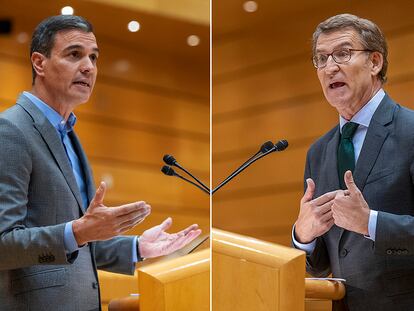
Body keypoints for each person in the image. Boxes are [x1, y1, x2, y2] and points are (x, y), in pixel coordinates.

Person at [0, 15, 201, 310]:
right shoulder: (11, 130)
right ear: (39, 63)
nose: (89, 67)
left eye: (93, 57)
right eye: (74, 54)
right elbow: (3, 243)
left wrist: (136, 247)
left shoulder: (68, 135)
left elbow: (76, 241)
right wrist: (80, 231)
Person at [292, 13, 414, 311]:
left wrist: (370, 223)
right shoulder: (319, 151)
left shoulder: (410, 131)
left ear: (375, 62)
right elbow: (320, 266)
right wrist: (303, 235)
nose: (329, 67)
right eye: (321, 58)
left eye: (343, 54)